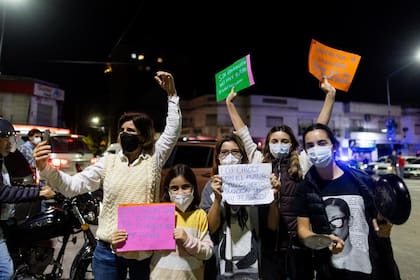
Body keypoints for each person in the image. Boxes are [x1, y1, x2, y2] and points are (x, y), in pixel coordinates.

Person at [33, 71, 182, 280]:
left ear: (143, 136)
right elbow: (74, 186)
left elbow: (172, 131)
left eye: (130, 130)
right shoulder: (108, 161)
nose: (123, 134)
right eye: (121, 130)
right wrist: (46, 169)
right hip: (107, 251)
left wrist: (172, 96)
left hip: (143, 251)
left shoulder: (154, 158)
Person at [224, 78, 336, 280]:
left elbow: (320, 127)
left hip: (297, 243)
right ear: (267, 144)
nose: (279, 144)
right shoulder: (258, 160)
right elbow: (243, 133)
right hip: (269, 241)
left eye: (284, 141)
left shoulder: (302, 161)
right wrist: (229, 104)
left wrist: (330, 96)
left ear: (292, 143)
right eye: (274, 141)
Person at [294, 123, 401, 280]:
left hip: (370, 269)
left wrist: (385, 228)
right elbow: (302, 230)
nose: (316, 149)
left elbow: (378, 219)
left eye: (322, 143)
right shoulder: (306, 187)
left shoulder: (362, 180)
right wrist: (323, 241)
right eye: (310, 145)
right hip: (331, 270)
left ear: (334, 146)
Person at [113, 163, 213, 279]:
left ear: (193, 188)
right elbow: (145, 252)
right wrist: (120, 246)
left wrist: (187, 240)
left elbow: (207, 253)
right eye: (174, 188)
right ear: (168, 191)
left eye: (185, 187)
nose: (180, 193)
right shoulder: (158, 214)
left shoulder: (200, 215)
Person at [201, 134, 271, 279]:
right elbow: (211, 228)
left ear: (242, 155)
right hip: (222, 258)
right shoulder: (210, 186)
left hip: (253, 256)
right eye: (224, 152)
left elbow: (269, 225)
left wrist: (273, 196)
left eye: (235, 152)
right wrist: (217, 199)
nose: (230, 156)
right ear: (218, 157)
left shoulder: (255, 183)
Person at [0, 118, 55, 280]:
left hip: (4, 219)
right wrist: (38, 193)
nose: (9, 143)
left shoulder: (1, 160)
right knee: (5, 271)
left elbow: (12, 185)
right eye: (6, 138)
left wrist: (35, 188)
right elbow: (3, 193)